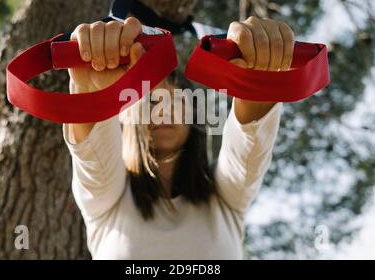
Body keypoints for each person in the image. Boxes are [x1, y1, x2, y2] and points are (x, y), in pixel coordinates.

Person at [63, 16, 294, 259]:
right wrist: (92, 93)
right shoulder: (107, 200)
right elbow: (93, 158)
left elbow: (247, 154)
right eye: (152, 101)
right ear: (128, 118)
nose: (163, 111)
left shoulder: (226, 198)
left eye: (178, 102)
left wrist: (259, 84)